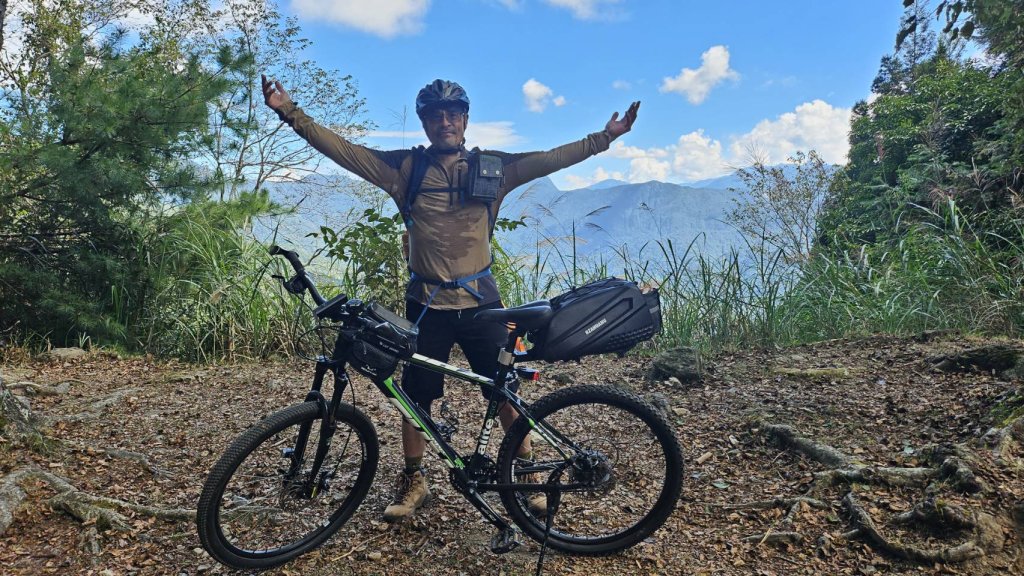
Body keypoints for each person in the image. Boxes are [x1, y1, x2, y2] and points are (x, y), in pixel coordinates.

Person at [261, 75, 639, 522]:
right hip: (425, 306)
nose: (445, 122)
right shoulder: (405, 169)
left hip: (484, 304)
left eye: (453, 114)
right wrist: (289, 112)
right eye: (435, 115)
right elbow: (344, 151)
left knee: (504, 393)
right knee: (415, 398)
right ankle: (415, 479)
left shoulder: (493, 168)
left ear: (465, 119)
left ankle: (527, 474)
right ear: (424, 123)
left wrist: (604, 138)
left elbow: (549, 159)